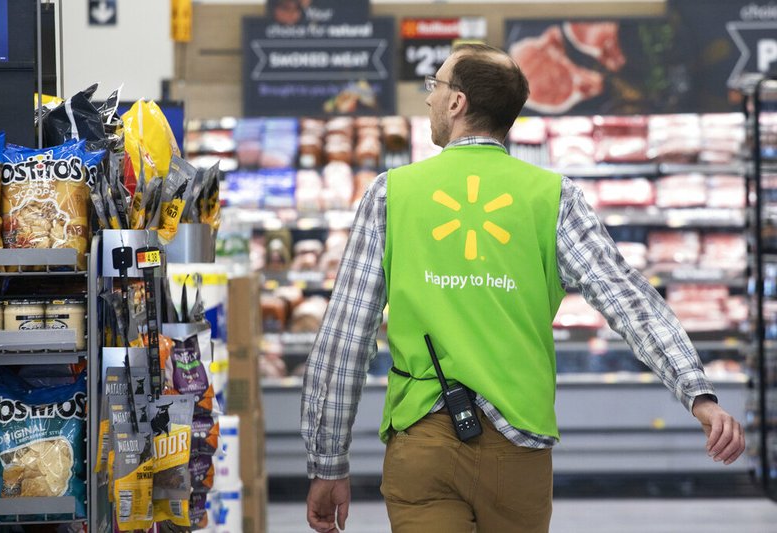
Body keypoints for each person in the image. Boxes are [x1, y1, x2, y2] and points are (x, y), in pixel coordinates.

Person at [300, 43, 746, 533]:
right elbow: (629, 299)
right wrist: (697, 393)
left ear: (458, 103)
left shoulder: (392, 193)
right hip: (517, 449)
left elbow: (344, 338)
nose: (429, 99)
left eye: (436, 87)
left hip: (422, 439)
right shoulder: (553, 197)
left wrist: (328, 462)